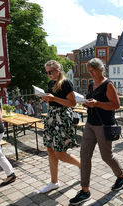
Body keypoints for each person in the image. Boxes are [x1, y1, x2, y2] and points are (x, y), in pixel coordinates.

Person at [69, 58, 123, 205]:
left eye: (93, 70)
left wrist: (98, 104)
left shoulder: (108, 85)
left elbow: (116, 105)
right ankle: (85, 190)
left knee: (106, 156)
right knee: (84, 156)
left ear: (101, 69)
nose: (91, 74)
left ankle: (121, 176)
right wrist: (86, 102)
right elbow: (91, 100)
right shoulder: (91, 84)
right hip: (90, 124)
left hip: (104, 125)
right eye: (89, 71)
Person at [40, 60, 81, 193]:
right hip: (52, 117)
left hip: (62, 118)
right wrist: (45, 98)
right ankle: (54, 182)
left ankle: (82, 166)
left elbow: (72, 103)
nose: (48, 75)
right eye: (47, 72)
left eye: (50, 72)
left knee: (60, 154)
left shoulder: (66, 83)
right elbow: (52, 99)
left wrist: (53, 99)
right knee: (50, 150)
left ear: (58, 70)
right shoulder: (51, 83)